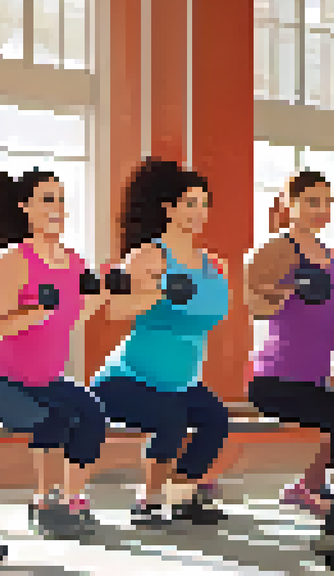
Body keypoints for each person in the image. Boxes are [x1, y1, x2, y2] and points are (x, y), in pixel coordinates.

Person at [0, 169, 110, 536]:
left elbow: (72, 317)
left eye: (60, 199)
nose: (57, 207)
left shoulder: (75, 263)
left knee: (91, 413)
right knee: (52, 419)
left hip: (43, 378)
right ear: (24, 207)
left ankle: (73, 500)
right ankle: (44, 502)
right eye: (47, 199)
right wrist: (35, 313)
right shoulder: (13, 262)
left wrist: (103, 294)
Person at [90, 158, 232, 527]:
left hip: (181, 381)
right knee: (171, 418)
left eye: (203, 204)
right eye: (189, 203)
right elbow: (116, 310)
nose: (199, 212)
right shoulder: (148, 256)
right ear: (168, 208)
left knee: (215, 419)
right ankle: (148, 500)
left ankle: (181, 493)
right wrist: (158, 291)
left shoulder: (214, 265)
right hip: (126, 380)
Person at [244, 171, 334, 516]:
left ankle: (308, 486)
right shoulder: (277, 247)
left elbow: (330, 319)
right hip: (275, 378)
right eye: (311, 201)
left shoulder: (333, 257)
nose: (319, 209)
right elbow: (254, 304)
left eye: (325, 202)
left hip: (313, 378)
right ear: (289, 204)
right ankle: (310, 487)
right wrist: (289, 289)